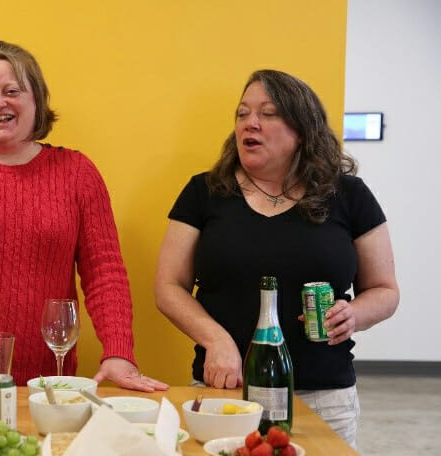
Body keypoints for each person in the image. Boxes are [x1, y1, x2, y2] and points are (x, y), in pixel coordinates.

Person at [0, 40, 168, 393]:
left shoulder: (78, 173)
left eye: (12, 91)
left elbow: (104, 272)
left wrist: (118, 351)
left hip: (49, 384)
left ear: (37, 100)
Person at [154, 69, 398, 447]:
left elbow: (384, 290)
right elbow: (169, 286)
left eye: (268, 114)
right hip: (226, 391)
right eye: (242, 114)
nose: (250, 123)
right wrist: (215, 339)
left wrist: (356, 314)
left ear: (301, 129)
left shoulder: (349, 195)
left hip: (322, 397)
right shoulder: (203, 192)